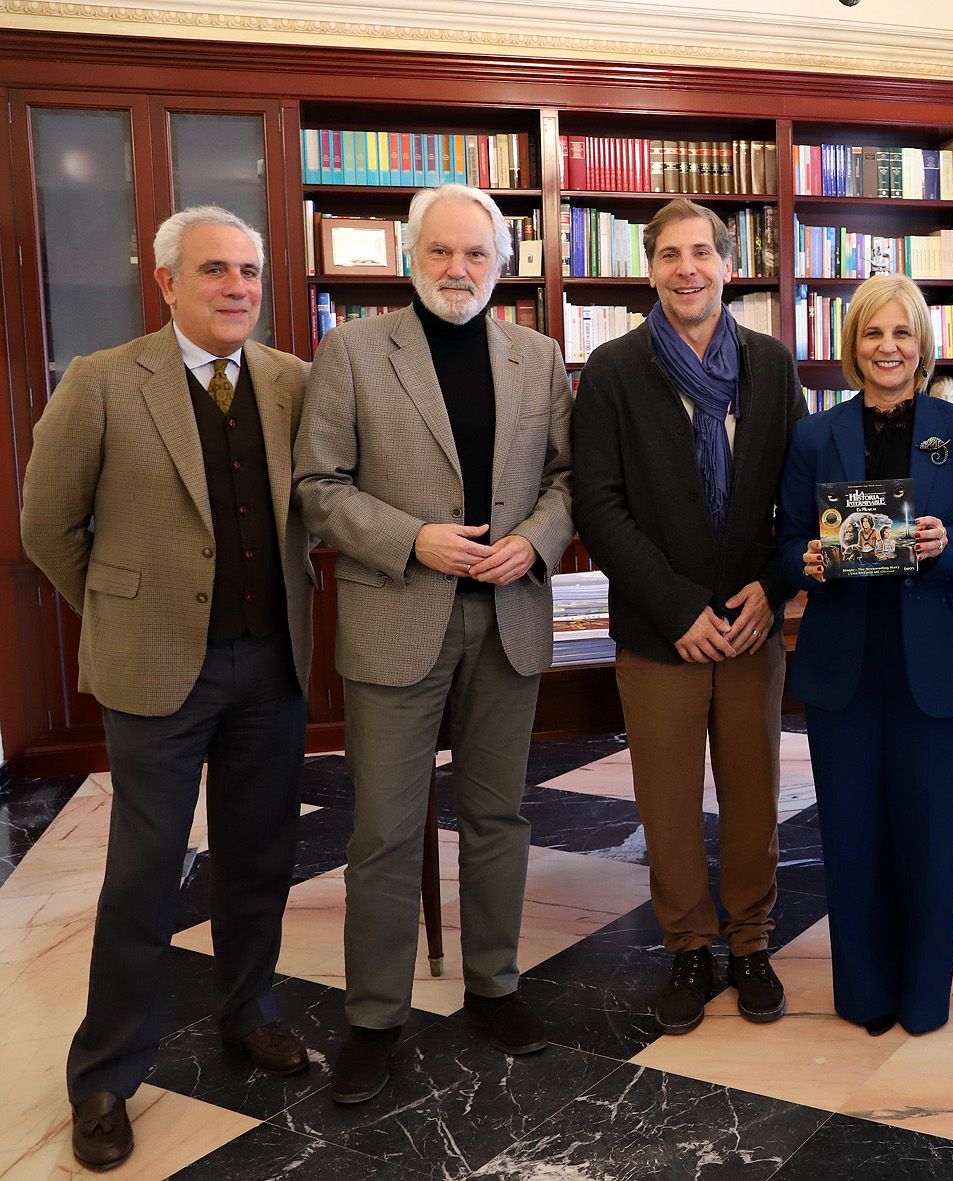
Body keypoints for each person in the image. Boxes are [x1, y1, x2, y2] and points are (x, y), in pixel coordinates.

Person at [21, 206, 313, 1171]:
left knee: (259, 855)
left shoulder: (290, 384)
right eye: (217, 271)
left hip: (269, 666)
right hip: (155, 672)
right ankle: (104, 1073)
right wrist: (122, 607)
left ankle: (251, 1012)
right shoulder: (102, 382)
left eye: (250, 272)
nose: (238, 288)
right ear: (169, 282)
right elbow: (47, 527)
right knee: (144, 874)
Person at [294, 183, 573, 1103]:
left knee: (500, 817)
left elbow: (566, 479)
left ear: (504, 261)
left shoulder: (537, 357)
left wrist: (536, 537)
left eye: (477, 254)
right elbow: (319, 485)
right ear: (413, 254)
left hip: (507, 618)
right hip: (396, 613)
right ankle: (374, 1015)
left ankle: (495, 982)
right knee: (382, 830)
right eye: (442, 252)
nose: (460, 270)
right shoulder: (352, 350)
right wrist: (411, 539)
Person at [571, 198, 806, 1035]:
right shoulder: (612, 369)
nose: (687, 268)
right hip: (658, 630)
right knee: (666, 803)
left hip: (750, 626)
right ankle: (687, 945)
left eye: (701, 252)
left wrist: (771, 590)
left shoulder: (774, 367)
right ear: (651, 270)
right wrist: (678, 609)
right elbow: (598, 506)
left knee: (753, 796)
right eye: (670, 255)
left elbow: (799, 501)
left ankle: (750, 944)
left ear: (729, 264)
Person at [779, 273, 953, 1035]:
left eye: (902, 332)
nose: (888, 347)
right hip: (846, 665)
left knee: (934, 841)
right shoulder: (816, 434)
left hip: (936, 670)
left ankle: (922, 1000)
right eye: (873, 333)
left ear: (924, 345)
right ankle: (864, 996)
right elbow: (781, 543)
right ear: (853, 346)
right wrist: (802, 561)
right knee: (851, 835)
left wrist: (952, 545)